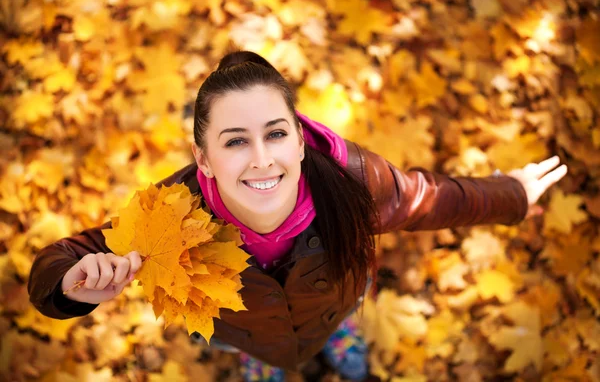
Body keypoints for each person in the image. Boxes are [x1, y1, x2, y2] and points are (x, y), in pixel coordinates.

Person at [28, 51, 568, 382]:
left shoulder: (354, 183)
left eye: (276, 134)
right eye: (235, 141)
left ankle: (337, 341)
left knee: (336, 324)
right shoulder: (166, 215)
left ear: (301, 139)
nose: (262, 159)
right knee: (259, 354)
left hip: (335, 302)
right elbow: (59, 262)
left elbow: (432, 198)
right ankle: (263, 364)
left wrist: (511, 194)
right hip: (239, 331)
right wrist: (71, 286)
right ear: (205, 161)